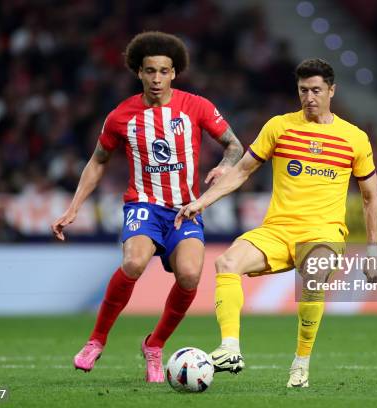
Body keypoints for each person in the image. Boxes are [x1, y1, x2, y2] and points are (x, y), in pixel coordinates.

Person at [175, 58, 377, 388]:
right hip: (277, 229)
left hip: (324, 232)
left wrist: (373, 249)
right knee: (227, 261)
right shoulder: (279, 127)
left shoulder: (354, 138)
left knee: (313, 276)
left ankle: (300, 364)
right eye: (303, 90)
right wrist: (200, 202)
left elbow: (371, 198)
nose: (309, 97)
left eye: (316, 90)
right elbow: (242, 171)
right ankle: (230, 347)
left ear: (332, 90)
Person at [51, 31, 243, 383]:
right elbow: (97, 161)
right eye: (150, 71)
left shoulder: (196, 106)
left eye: (164, 71)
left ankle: (154, 346)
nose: (157, 78)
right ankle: (96, 340)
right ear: (138, 72)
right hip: (144, 205)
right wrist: (74, 207)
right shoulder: (121, 116)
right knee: (134, 262)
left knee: (189, 275)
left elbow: (234, 145)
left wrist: (226, 166)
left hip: (185, 209)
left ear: (175, 73)